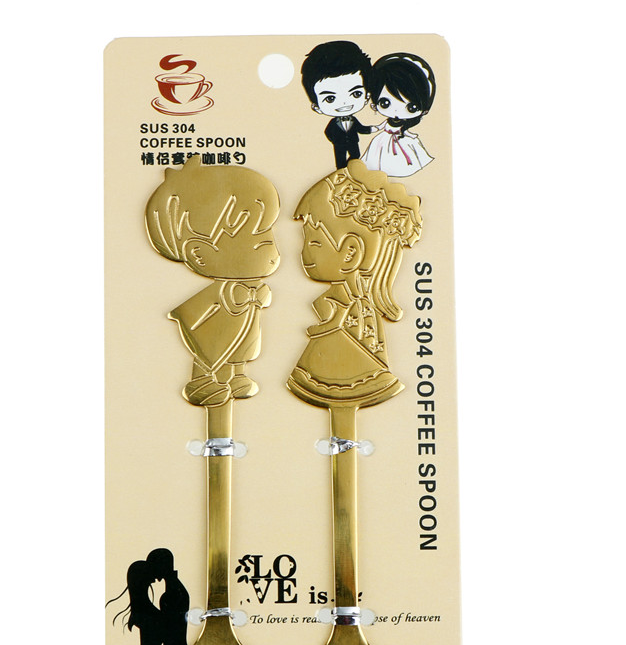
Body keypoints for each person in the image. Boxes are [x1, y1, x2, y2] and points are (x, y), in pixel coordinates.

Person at [145, 156, 281, 407]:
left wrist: (258, 297)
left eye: (269, 240)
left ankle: (237, 376)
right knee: (210, 348)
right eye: (260, 244)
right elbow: (195, 315)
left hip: (244, 319)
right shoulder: (217, 292)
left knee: (241, 348)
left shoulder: (251, 286)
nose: (273, 254)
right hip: (216, 322)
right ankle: (203, 381)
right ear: (200, 254)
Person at [287, 160, 423, 410]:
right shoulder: (352, 305)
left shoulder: (350, 311)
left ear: (350, 253)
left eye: (314, 242)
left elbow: (338, 328)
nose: (302, 253)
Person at [301, 41, 376, 169]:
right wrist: (336, 140)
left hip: (353, 143)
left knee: (356, 158)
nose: (344, 103)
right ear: (316, 107)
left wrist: (375, 128)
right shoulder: (333, 124)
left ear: (367, 97)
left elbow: (361, 128)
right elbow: (328, 132)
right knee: (340, 161)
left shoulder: (354, 120)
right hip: (339, 145)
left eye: (356, 94)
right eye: (330, 98)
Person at [362, 53, 436, 178]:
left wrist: (411, 136)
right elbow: (379, 127)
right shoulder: (386, 126)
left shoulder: (405, 130)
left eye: (411, 107)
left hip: (403, 143)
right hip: (383, 143)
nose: (396, 111)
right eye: (385, 103)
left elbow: (406, 132)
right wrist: (370, 129)